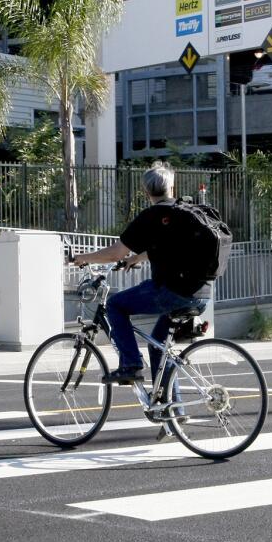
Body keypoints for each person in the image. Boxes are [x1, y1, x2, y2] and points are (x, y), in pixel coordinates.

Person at [70, 162, 210, 384]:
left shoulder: (150, 216)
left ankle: (131, 364)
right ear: (172, 188)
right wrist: (138, 257)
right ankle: (171, 412)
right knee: (158, 347)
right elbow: (169, 247)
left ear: (146, 192)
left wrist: (83, 258)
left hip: (170, 292)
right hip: (201, 293)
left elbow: (115, 253)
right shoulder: (186, 212)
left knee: (115, 305)